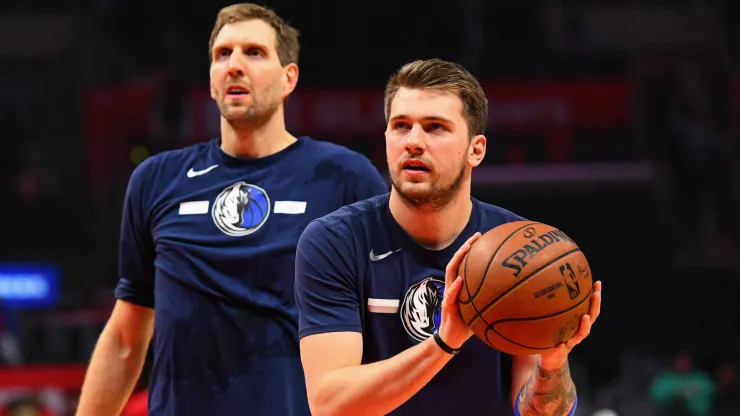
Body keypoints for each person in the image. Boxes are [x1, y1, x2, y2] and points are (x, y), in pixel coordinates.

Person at [75, 3, 388, 416]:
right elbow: (125, 338)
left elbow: (386, 327)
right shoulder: (156, 180)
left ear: (288, 78)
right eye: (223, 54)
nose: (235, 65)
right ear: (210, 81)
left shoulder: (345, 177)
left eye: (254, 53)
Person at [294, 58, 602, 415]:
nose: (413, 142)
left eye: (435, 127)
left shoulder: (520, 249)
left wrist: (552, 364)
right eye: (400, 126)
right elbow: (329, 405)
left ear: (476, 149)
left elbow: (535, 412)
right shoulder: (335, 242)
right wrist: (444, 341)